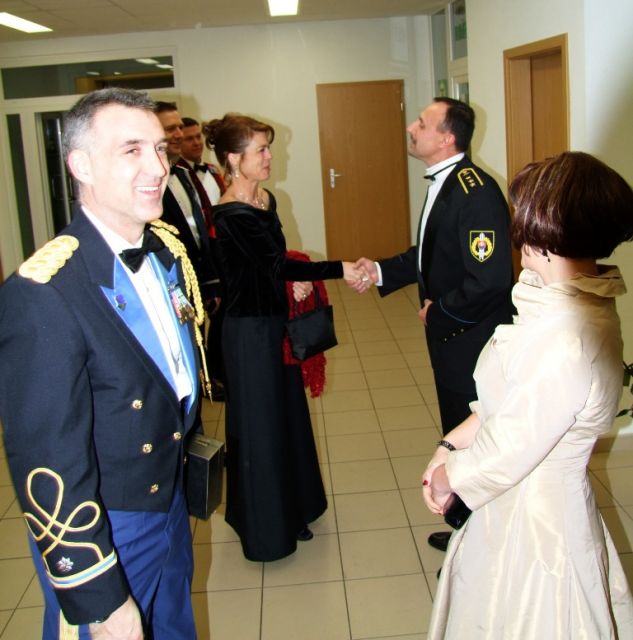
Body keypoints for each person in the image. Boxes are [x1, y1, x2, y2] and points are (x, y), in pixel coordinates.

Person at [0, 88, 207, 639]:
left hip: (168, 500)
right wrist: (97, 594)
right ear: (82, 165)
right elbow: (46, 461)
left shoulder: (164, 252)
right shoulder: (44, 293)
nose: (157, 167)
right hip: (106, 525)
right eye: (131, 150)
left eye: (159, 149)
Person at [422, 151, 633, 639]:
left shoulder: (565, 335)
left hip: (537, 529)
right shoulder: (558, 298)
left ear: (547, 227)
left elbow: (509, 449)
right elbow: (505, 400)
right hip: (513, 504)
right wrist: (449, 444)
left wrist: (447, 478)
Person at [202, 113, 367, 561]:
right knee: (260, 429)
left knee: (287, 418)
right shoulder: (230, 214)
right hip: (248, 334)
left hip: (275, 324)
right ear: (233, 159)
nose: (270, 157)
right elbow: (274, 266)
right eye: (260, 150)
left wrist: (292, 283)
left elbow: (271, 263)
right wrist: (338, 269)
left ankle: (296, 509)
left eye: (268, 148)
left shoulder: (264, 199)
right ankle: (266, 530)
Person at [355, 97, 514, 553]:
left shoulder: (475, 192)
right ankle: (466, 526)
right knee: (457, 432)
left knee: (474, 440)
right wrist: (380, 271)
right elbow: (430, 254)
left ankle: (483, 546)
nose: (411, 126)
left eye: (422, 123)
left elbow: (489, 281)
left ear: (446, 138)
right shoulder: (447, 183)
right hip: (453, 339)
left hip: (473, 341)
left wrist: (439, 312)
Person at [155, 102, 223, 400]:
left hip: (195, 273)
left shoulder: (183, 175)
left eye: (180, 127)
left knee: (199, 334)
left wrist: (209, 279)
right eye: (171, 129)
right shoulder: (149, 182)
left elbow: (200, 231)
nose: (179, 134)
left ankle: (206, 380)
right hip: (168, 280)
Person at [178, 116, 228, 400]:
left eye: (198, 136)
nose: (196, 142)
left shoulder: (211, 171)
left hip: (218, 253)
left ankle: (219, 373)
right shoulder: (176, 176)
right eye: (189, 138)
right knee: (197, 321)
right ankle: (205, 378)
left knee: (220, 316)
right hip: (193, 257)